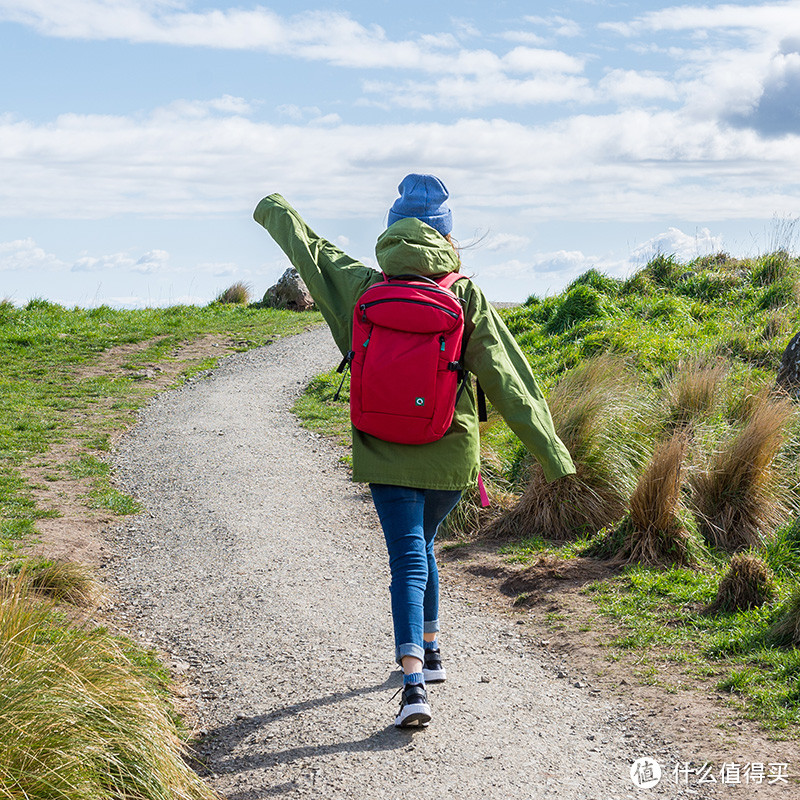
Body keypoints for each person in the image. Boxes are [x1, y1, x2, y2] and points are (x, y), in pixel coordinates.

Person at [253, 174, 575, 728]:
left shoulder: (361, 286)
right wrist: (554, 456)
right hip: (450, 453)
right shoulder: (465, 295)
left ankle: (413, 687)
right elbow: (509, 381)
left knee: (407, 556)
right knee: (420, 548)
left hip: (382, 446)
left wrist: (274, 207)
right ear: (447, 237)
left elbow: (309, 251)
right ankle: (430, 652)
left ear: (392, 230)